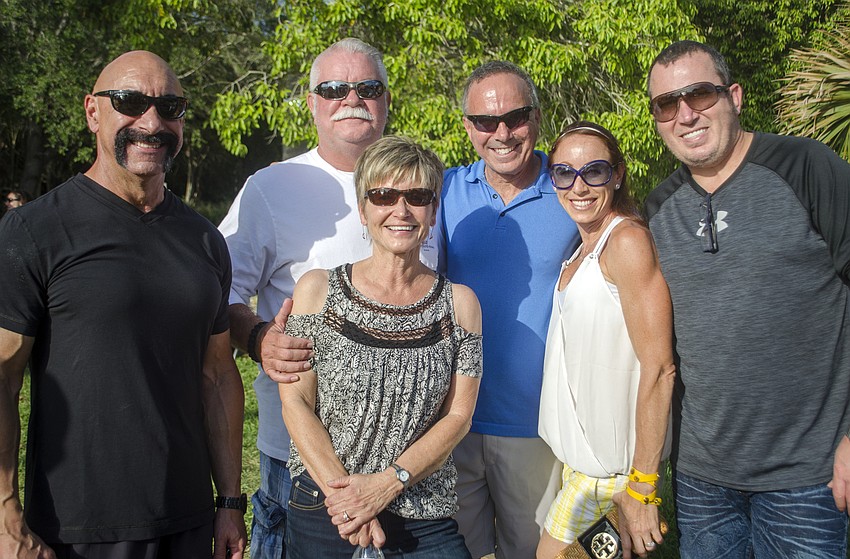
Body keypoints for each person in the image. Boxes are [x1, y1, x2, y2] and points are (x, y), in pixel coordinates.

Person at [0, 51, 247, 559]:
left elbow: (218, 376)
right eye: (130, 102)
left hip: (189, 522)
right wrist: (5, 518)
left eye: (170, 107)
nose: (152, 123)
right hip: (78, 529)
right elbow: (2, 379)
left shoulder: (204, 240)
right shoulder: (34, 231)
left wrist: (229, 502)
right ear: (93, 111)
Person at [645, 40, 850, 558]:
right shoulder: (658, 209)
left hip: (808, 477)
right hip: (701, 482)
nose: (685, 114)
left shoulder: (806, 167)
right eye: (667, 104)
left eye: (700, 94)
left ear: (733, 96)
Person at [218, 37, 392, 559]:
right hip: (298, 457)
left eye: (368, 88)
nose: (352, 99)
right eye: (335, 89)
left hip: (402, 463)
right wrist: (258, 338)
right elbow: (217, 292)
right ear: (313, 103)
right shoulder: (271, 187)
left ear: (386, 100)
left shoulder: (420, 182)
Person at [279, 135, 482, 558]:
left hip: (422, 511)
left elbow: (459, 415)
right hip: (326, 505)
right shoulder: (317, 291)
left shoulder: (461, 305)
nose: (401, 210)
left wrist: (386, 485)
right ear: (363, 208)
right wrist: (350, 500)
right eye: (384, 195)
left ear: (433, 211)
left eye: (417, 196)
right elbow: (295, 402)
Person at [427, 61, 580, 559]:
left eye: (515, 117)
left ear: (536, 117)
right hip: (453, 420)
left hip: (537, 426)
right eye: (485, 121)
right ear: (467, 126)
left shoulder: (573, 190)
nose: (502, 133)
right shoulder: (444, 191)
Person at [534, 121, 675, 559]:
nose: (578, 186)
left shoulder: (626, 241)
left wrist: (643, 486)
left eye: (593, 171)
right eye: (564, 173)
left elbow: (660, 367)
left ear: (617, 175)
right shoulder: (582, 249)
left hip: (615, 479)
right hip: (582, 471)